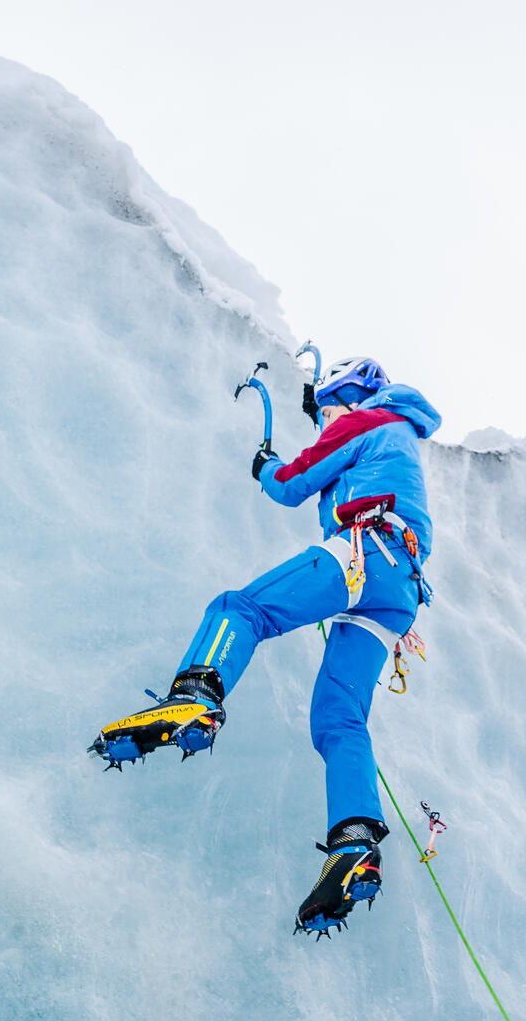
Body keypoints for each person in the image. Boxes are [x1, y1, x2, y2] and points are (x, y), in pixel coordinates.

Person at [89, 355, 442, 933]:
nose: (325, 417)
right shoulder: (396, 436)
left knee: (241, 608)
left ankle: (197, 695)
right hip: (398, 593)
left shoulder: (364, 422)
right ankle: (354, 845)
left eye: (329, 406)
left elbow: (290, 484)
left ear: (352, 395)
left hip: (365, 552)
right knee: (339, 721)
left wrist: (266, 465)